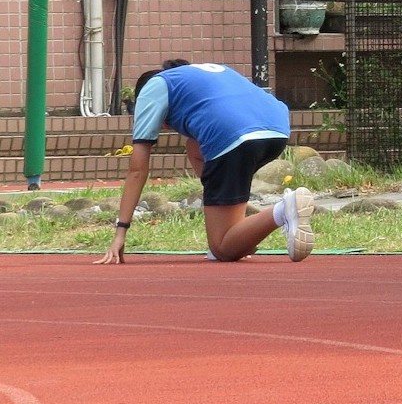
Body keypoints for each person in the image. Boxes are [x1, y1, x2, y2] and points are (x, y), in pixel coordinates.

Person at [96, 59, 315, 265]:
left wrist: (120, 232)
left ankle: (284, 209)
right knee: (195, 148)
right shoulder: (199, 75)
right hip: (276, 130)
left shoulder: (152, 89)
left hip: (232, 135)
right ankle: (235, 228)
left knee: (222, 249)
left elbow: (137, 170)